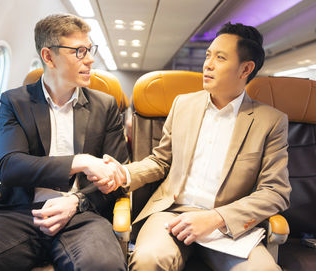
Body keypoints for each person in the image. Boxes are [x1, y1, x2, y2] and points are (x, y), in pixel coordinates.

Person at [0, 14, 128, 271]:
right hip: (22, 213)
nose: (90, 59)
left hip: (83, 215)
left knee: (102, 266)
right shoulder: (15, 102)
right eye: (80, 51)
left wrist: (76, 201)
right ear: (49, 56)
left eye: (90, 49)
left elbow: (118, 178)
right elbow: (10, 166)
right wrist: (79, 162)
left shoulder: (104, 106)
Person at [100, 22, 291, 271]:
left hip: (227, 223)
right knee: (148, 260)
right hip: (172, 213)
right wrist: (124, 173)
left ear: (246, 69)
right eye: (208, 55)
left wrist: (216, 218)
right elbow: (161, 161)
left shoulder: (270, 121)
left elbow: (275, 191)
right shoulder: (183, 104)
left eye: (220, 58)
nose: (207, 65)